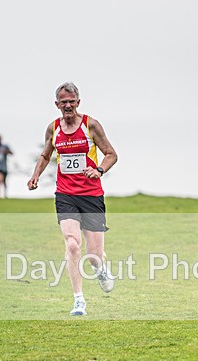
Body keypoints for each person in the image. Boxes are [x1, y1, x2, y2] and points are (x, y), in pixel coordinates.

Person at [27, 82, 118, 316]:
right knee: (72, 244)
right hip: (65, 194)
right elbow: (46, 154)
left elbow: (111, 154)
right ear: (56, 104)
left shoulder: (91, 125)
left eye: (71, 101)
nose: (68, 105)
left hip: (91, 196)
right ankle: (79, 300)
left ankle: (101, 270)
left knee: (94, 257)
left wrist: (98, 170)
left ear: (78, 102)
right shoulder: (53, 129)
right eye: (63, 102)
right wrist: (35, 175)